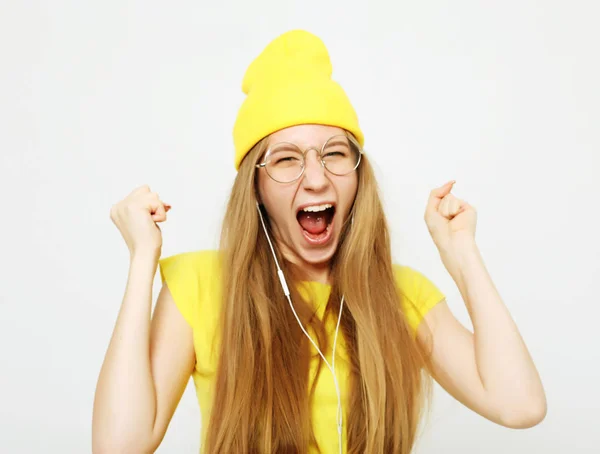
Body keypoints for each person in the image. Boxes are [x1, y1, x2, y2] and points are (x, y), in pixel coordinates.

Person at [92, 30, 546, 454]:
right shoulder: (200, 285)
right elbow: (119, 446)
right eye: (287, 159)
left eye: (334, 154)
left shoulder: (402, 295)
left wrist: (462, 254)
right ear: (256, 189)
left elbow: (520, 406)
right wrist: (141, 261)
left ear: (357, 174)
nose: (315, 178)